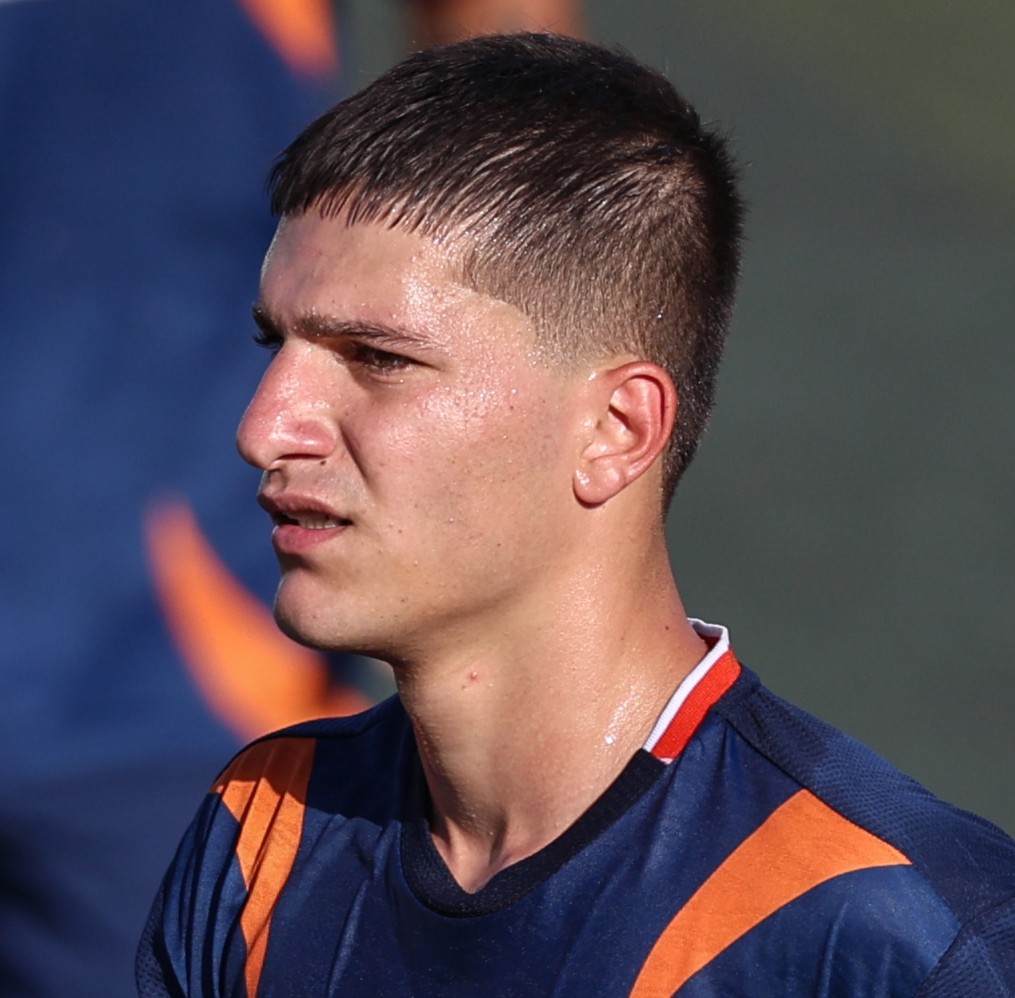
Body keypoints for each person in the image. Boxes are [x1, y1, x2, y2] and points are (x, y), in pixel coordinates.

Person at [137, 33, 1015, 996]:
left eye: (379, 358)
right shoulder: (262, 828)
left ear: (614, 430)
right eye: (274, 344)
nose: (264, 428)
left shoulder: (896, 934)